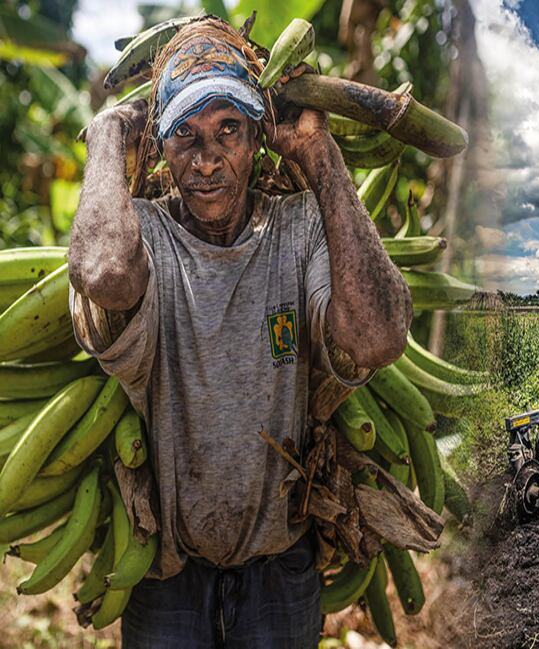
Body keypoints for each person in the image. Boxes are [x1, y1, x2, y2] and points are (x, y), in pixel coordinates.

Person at [67, 20, 411, 648]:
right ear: (160, 148)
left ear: (257, 137)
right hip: (168, 578)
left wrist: (319, 156)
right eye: (185, 135)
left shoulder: (300, 230)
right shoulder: (145, 239)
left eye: (229, 129)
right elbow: (106, 273)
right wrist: (110, 134)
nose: (207, 160)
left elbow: (377, 338)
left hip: (280, 572)